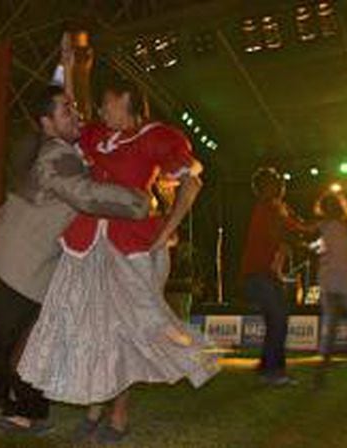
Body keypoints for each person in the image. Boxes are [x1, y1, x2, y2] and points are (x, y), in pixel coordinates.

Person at [17, 77, 219, 445]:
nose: (100, 109)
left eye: (107, 102)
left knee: (126, 330)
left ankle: (119, 415)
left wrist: (166, 230)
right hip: (87, 243)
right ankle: (96, 409)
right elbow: (71, 111)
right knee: (92, 329)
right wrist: (72, 64)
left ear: (127, 101)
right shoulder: (97, 134)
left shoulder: (158, 137)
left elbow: (192, 182)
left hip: (130, 246)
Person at [0, 84, 151, 436]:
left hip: (32, 263)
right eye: (66, 111)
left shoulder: (68, 149)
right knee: (2, 343)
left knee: (24, 342)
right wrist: (137, 201)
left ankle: (25, 409)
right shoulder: (55, 154)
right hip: (23, 264)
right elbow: (83, 194)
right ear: (47, 123)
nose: (77, 115)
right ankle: (17, 406)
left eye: (74, 108)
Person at [240, 167, 311, 386]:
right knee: (278, 320)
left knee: (276, 320)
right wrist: (314, 232)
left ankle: (266, 367)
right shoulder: (269, 207)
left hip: (265, 275)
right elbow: (289, 230)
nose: (282, 186)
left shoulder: (276, 207)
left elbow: (295, 227)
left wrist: (306, 234)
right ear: (265, 188)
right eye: (277, 182)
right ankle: (274, 372)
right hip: (258, 275)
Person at [312, 190, 347, 387]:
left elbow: (314, 249)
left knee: (331, 327)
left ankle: (322, 372)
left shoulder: (321, 227)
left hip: (329, 281)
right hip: (345, 281)